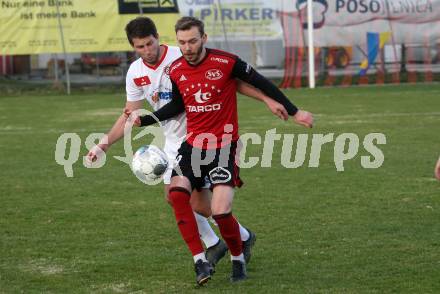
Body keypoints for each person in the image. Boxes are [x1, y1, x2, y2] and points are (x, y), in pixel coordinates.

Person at [86, 17, 288, 277]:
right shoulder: (135, 72)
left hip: (201, 139)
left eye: (150, 43)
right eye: (140, 47)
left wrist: (266, 99)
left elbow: (233, 82)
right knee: (176, 198)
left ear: (158, 37)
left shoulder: (180, 55)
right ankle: (220, 243)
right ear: (132, 48)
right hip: (172, 143)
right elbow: (130, 115)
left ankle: (237, 239)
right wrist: (104, 144)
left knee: (204, 205)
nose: (147, 50)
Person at [129, 16, 314, 284]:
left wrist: (294, 111)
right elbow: (178, 106)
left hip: (223, 147)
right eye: (182, 42)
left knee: (221, 210)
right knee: (176, 195)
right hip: (191, 147)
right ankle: (200, 262)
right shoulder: (177, 70)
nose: (188, 47)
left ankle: (238, 259)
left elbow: (262, 82)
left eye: (193, 41)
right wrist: (144, 119)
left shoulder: (226, 62)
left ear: (203, 38)